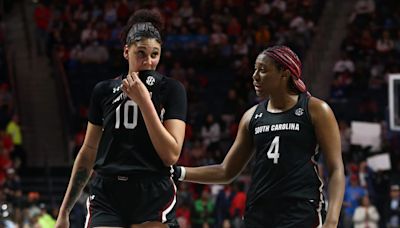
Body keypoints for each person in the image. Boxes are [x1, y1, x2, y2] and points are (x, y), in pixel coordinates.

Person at [173, 45, 345, 227]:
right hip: (258, 212)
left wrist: (332, 220)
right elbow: (226, 171)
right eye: (255, 70)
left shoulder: (316, 110)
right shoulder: (251, 116)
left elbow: (336, 169)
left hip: (300, 210)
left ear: (284, 74)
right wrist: (177, 172)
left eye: (262, 70)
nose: (255, 76)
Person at [56, 9, 187, 228]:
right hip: (108, 192)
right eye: (141, 53)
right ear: (126, 52)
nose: (148, 61)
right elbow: (88, 152)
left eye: (154, 54)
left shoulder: (171, 90)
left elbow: (171, 154)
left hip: (152, 190)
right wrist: (64, 211)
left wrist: (144, 101)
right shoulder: (104, 90)